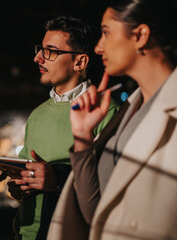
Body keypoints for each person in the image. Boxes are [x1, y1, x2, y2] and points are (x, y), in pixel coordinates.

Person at [47, 0, 177, 239]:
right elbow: (96, 213)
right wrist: (83, 137)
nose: (98, 47)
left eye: (106, 33)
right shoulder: (129, 111)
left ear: (140, 35)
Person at [7, 16, 119, 240]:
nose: (38, 57)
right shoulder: (37, 114)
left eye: (50, 51)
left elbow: (111, 187)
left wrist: (56, 181)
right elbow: (23, 168)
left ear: (80, 62)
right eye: (40, 49)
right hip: (24, 233)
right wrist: (17, 184)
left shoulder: (105, 112)